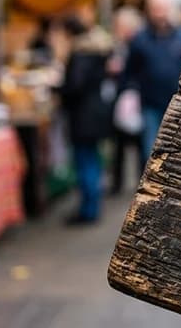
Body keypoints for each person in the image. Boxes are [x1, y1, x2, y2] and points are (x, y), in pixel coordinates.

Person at [124, 0, 181, 162]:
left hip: (177, 105)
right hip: (150, 105)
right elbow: (130, 72)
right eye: (156, 8)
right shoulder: (139, 39)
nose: (160, 13)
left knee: (176, 154)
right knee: (150, 153)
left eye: (163, 8)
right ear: (148, 10)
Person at [56, 12, 114, 225]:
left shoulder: (80, 55)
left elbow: (75, 86)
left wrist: (57, 89)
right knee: (92, 160)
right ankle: (92, 206)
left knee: (85, 161)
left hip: (83, 116)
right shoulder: (97, 51)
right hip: (96, 113)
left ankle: (88, 210)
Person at [106, 5, 143, 195]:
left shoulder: (137, 44)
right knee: (119, 145)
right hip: (120, 99)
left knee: (138, 143)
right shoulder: (117, 45)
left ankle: (140, 181)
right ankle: (117, 182)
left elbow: (138, 71)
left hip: (132, 99)